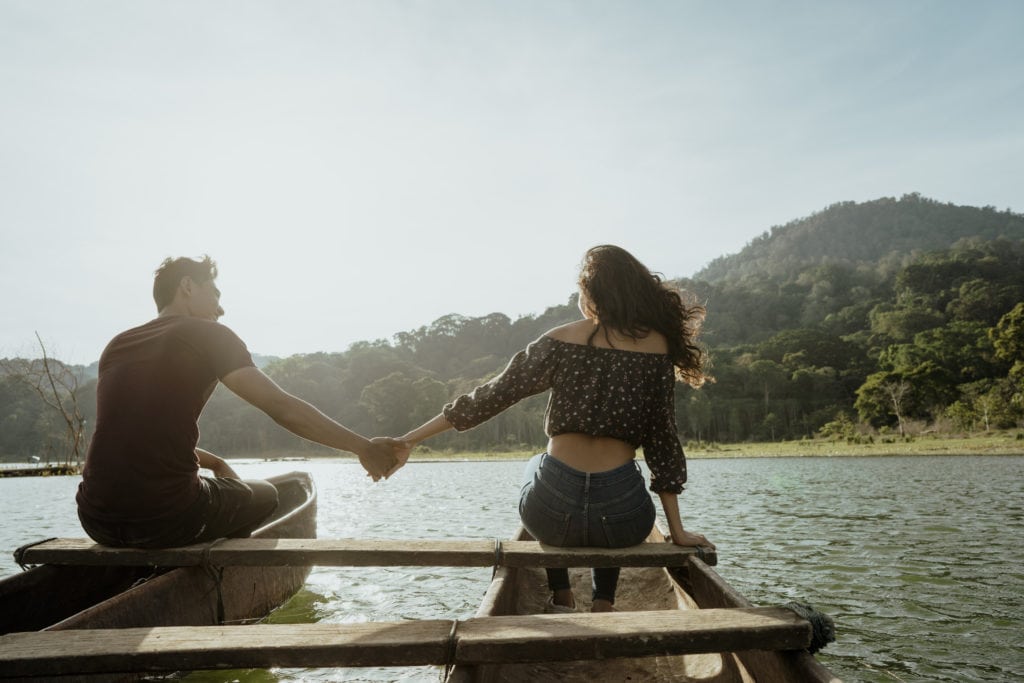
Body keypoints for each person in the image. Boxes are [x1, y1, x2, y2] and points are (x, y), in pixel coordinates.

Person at [388, 244, 715, 613]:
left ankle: (561, 594)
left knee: (536, 463)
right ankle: (604, 602)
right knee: (625, 477)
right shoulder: (657, 347)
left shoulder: (560, 339)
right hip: (623, 522)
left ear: (591, 292)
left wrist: (408, 439)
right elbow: (663, 442)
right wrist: (678, 531)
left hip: (552, 518)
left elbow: (488, 398)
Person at [76, 255, 400, 549]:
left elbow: (133, 434)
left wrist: (215, 463)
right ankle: (216, 571)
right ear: (187, 287)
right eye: (215, 294)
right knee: (267, 496)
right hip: (168, 518)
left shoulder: (117, 344)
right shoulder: (209, 334)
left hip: (95, 520)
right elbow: (281, 406)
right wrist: (364, 447)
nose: (220, 308)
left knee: (215, 492)